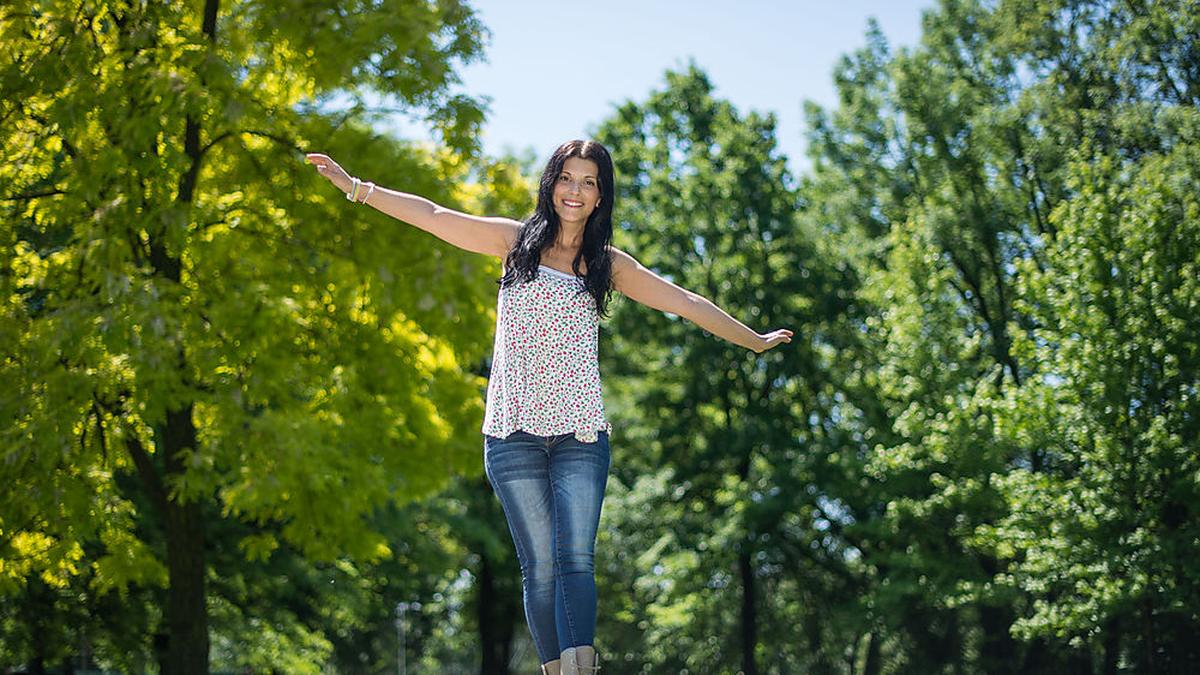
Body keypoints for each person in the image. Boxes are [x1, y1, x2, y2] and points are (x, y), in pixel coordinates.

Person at [304, 139, 793, 674]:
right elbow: (435, 215)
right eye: (566, 178)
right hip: (512, 432)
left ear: (601, 193)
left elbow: (686, 302)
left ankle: (583, 669)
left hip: (580, 435)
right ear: (550, 184)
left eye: (588, 181)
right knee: (539, 568)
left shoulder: (606, 264)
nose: (575, 191)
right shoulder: (514, 244)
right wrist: (356, 188)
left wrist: (755, 341)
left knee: (575, 560)